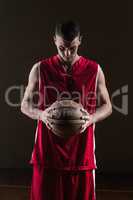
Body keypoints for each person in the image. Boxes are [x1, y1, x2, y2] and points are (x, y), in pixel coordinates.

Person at [21, 20, 112, 200]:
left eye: (72, 48)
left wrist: (91, 119)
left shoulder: (94, 70)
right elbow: (24, 105)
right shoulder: (40, 69)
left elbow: (107, 106)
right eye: (62, 48)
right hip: (47, 154)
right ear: (55, 40)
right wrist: (42, 114)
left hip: (81, 155)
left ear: (80, 41)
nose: (67, 53)